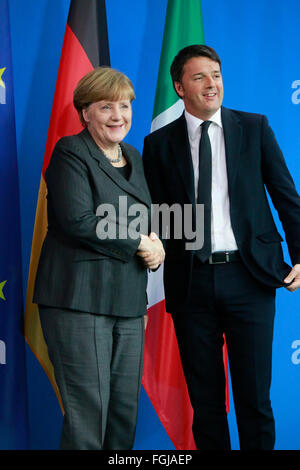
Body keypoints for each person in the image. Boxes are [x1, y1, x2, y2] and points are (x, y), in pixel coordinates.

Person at [142, 45, 300, 451]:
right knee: (207, 405)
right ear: (179, 87)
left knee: (255, 401)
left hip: (250, 278)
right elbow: (160, 215)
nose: (212, 84)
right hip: (191, 283)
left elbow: (286, 197)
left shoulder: (254, 127)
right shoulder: (158, 143)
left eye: (216, 75)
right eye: (199, 77)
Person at [33, 66, 164, 450]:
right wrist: (141, 243)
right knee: (88, 414)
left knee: (124, 413)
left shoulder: (135, 157)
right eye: (106, 107)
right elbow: (78, 220)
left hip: (127, 301)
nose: (118, 116)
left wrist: (156, 244)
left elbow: (143, 219)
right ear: (85, 111)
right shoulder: (70, 152)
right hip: (78, 299)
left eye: (124, 106)